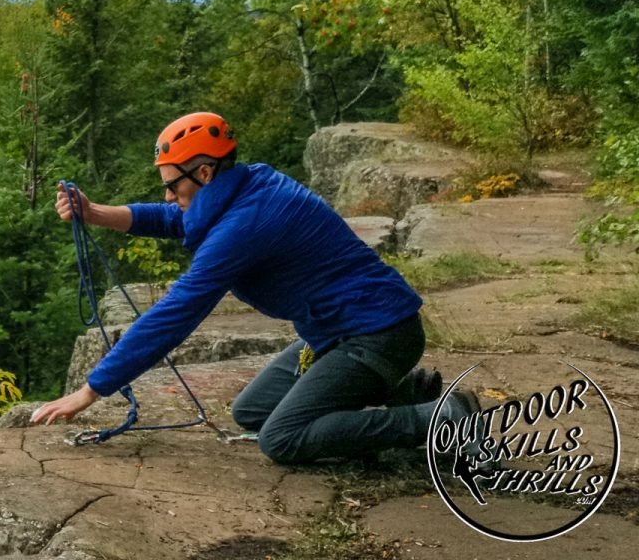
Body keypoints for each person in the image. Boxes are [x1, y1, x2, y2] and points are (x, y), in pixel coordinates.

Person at [30, 111, 477, 463]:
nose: (167, 195)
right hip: (335, 333)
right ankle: (404, 394)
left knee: (282, 438)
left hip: (377, 335)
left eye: (171, 184)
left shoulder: (249, 221)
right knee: (254, 413)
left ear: (204, 172)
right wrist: (97, 214)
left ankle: (441, 420)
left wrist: (91, 390)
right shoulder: (242, 187)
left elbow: (178, 311)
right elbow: (178, 217)